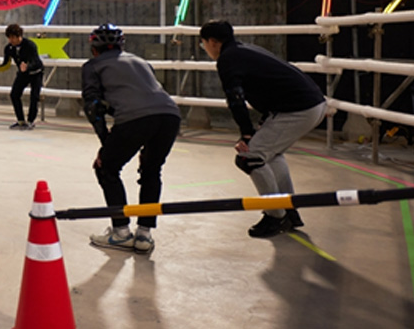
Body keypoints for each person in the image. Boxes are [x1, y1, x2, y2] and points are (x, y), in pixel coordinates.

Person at [200, 20, 327, 238]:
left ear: (213, 42)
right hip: (312, 104)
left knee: (250, 157)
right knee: (271, 154)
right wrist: (260, 125)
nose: (205, 49)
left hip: (298, 108)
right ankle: (289, 210)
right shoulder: (245, 50)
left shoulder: (228, 59)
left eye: (203, 44)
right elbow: (273, 83)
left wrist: (247, 133)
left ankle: (275, 216)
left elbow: (236, 99)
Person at [82, 23, 181, 254]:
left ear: (93, 48)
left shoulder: (93, 65)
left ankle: (121, 233)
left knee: (106, 168)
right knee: (151, 170)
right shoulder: (140, 61)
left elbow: (93, 107)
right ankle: (144, 235)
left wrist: (105, 145)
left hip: (135, 119)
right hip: (170, 115)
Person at [0, 23, 44, 129]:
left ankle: (30, 121)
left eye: (13, 37)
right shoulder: (9, 48)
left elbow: (36, 61)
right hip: (23, 73)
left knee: (34, 97)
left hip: (36, 73)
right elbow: (6, 64)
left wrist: (28, 66)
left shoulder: (30, 45)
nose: (10, 40)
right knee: (14, 94)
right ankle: (20, 120)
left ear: (19, 36)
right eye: (9, 38)